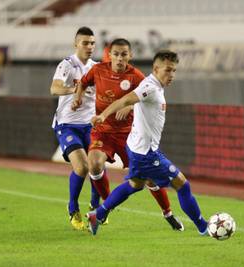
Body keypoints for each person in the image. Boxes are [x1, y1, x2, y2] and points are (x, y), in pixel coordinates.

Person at [86, 50, 208, 236]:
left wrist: (128, 108)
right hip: (146, 154)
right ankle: (204, 227)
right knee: (182, 185)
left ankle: (99, 214)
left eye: (174, 71)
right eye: (168, 70)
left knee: (135, 185)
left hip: (136, 148)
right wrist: (103, 115)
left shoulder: (155, 87)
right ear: (156, 69)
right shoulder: (150, 87)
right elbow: (125, 99)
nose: (172, 75)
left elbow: (133, 102)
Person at [72, 39, 184, 231]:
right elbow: (82, 83)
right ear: (109, 55)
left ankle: (168, 213)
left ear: (130, 56)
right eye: (116, 53)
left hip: (129, 135)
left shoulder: (136, 76)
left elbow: (147, 93)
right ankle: (101, 205)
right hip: (103, 130)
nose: (120, 58)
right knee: (94, 163)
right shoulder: (98, 70)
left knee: (148, 179)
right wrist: (77, 97)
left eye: (124, 54)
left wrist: (131, 105)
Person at [50, 26, 100, 230]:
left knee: (97, 166)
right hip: (67, 124)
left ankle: (96, 209)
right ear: (76, 44)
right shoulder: (67, 65)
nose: (89, 47)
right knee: (82, 167)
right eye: (85, 43)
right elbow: (54, 88)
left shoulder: (97, 68)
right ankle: (73, 207)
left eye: (92, 43)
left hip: (90, 125)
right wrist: (75, 89)